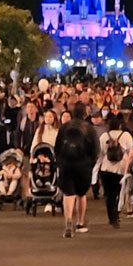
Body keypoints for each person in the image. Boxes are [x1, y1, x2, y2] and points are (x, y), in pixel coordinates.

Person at [55, 102, 99, 238]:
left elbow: (56, 147)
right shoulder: (89, 129)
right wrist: (90, 164)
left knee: (68, 193)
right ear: (85, 113)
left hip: (66, 164)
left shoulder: (64, 128)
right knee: (81, 194)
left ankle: (68, 221)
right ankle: (80, 223)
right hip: (83, 165)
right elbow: (95, 150)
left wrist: (60, 162)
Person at [94, 114, 133, 228]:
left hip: (106, 168)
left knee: (109, 194)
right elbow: (131, 152)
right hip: (121, 168)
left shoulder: (103, 136)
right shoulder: (126, 135)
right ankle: (116, 214)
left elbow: (100, 153)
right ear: (120, 125)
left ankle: (111, 217)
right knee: (118, 193)